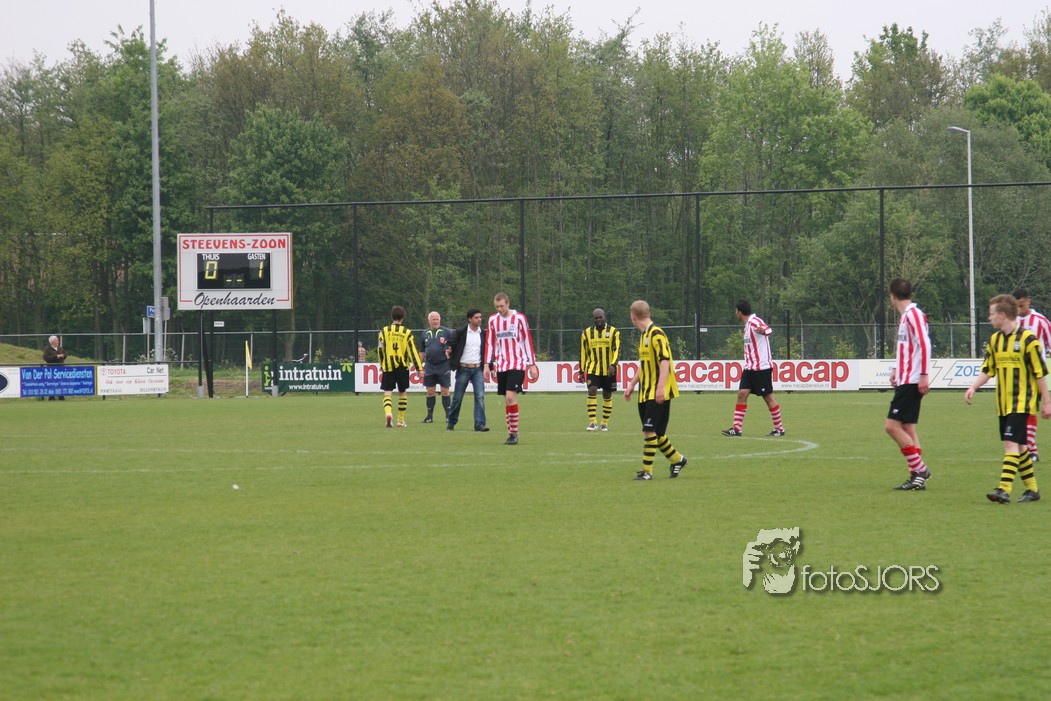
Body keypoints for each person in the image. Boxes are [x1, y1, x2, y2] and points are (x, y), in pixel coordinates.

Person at [965, 294, 1051, 504]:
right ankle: (1032, 489)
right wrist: (973, 387)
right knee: (1020, 447)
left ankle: (1004, 489)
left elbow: (1040, 373)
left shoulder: (1028, 339)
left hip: (1022, 403)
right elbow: (988, 369)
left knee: (1010, 444)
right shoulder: (995, 340)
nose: (989, 318)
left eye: (991, 314)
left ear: (1002, 315)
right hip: (1003, 404)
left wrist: (1047, 402)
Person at [622, 300, 687, 480]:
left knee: (649, 431)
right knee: (656, 434)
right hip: (645, 392)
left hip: (657, 392)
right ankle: (678, 460)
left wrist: (660, 387)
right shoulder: (644, 336)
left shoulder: (657, 334)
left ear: (633, 317)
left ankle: (647, 472)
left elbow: (664, 361)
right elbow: (645, 364)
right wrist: (632, 384)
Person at [885, 278, 933, 491]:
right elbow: (907, 347)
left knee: (891, 426)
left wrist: (923, 375)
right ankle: (916, 476)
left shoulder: (913, 314)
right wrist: (896, 369)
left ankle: (920, 470)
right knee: (908, 428)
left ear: (892, 296)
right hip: (906, 377)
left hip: (912, 380)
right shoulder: (906, 316)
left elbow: (925, 344)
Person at [720, 300, 786, 437]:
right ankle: (737, 429)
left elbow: (768, 330)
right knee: (742, 393)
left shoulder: (755, 321)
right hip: (749, 368)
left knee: (768, 397)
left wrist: (764, 331)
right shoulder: (747, 326)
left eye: (736, 311)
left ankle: (779, 429)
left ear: (740, 312)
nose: (735, 313)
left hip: (761, 368)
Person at [485, 292, 537, 445]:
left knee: (510, 397)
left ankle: (513, 434)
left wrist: (532, 364)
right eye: (497, 306)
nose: (499, 309)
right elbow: (490, 343)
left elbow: (527, 340)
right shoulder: (493, 320)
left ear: (508, 304)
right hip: (501, 365)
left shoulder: (519, 318)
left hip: (517, 363)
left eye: (502, 306)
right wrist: (487, 364)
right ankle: (511, 433)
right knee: (507, 400)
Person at [1012, 287, 1051, 462]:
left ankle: (1031, 451)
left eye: (1021, 305)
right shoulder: (1012, 322)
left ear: (1028, 301)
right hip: (1015, 376)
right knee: (1018, 413)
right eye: (1016, 306)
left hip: (1035, 376)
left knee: (1029, 411)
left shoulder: (1041, 321)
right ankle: (1030, 450)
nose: (1019, 309)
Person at [377, 305, 423, 428]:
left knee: (387, 392)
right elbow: (413, 351)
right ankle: (400, 421)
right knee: (402, 392)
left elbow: (380, 350)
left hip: (388, 366)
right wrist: (419, 368)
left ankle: (388, 414)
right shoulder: (407, 333)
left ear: (392, 317)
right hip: (403, 366)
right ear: (403, 317)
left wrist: (382, 364)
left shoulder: (384, 331)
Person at [446, 308, 489, 432]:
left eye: (480, 317)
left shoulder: (483, 333)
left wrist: (489, 367)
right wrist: (448, 348)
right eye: (476, 317)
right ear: (469, 319)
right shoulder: (460, 332)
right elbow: (449, 343)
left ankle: (480, 424)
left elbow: (488, 351)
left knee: (480, 397)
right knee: (457, 398)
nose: (479, 319)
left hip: (477, 369)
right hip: (463, 368)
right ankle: (451, 422)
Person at [579, 308, 621, 431]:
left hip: (609, 370)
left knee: (607, 394)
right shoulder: (586, 333)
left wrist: (613, 365)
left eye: (600, 317)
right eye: (596, 318)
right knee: (591, 391)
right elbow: (583, 352)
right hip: (593, 369)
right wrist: (581, 370)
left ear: (604, 317)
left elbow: (617, 350)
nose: (598, 319)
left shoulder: (614, 332)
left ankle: (604, 423)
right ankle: (592, 422)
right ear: (593, 319)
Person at [420, 311, 452, 423]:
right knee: (430, 391)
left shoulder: (447, 332)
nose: (435, 321)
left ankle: (448, 416)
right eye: (433, 319)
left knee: (445, 390)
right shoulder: (424, 333)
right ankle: (429, 417)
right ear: (429, 321)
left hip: (444, 365)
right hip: (429, 366)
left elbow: (454, 346)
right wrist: (419, 367)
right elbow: (421, 351)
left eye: (437, 319)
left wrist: (450, 351)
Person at [43, 335, 67, 401]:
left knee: (61, 383)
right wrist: (56, 357)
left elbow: (65, 354)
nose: (58, 341)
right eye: (57, 340)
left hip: (61, 368)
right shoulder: (47, 349)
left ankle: (61, 396)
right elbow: (46, 358)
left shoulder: (60, 348)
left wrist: (63, 355)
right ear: (52, 342)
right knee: (52, 383)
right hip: (52, 369)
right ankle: (51, 397)